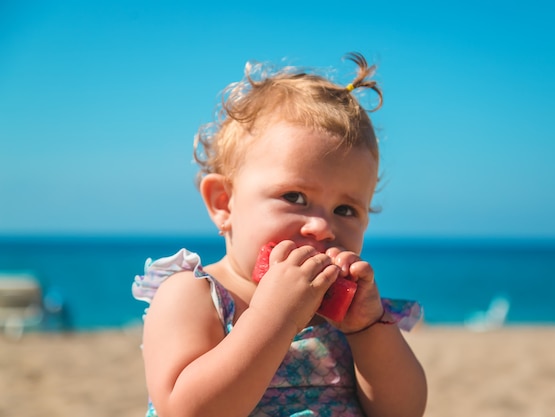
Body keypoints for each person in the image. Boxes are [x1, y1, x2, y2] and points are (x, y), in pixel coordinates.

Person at [132, 52, 427, 417]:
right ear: (224, 204)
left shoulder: (349, 318)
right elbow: (187, 411)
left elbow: (402, 411)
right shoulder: (194, 296)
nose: (323, 226)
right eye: (295, 197)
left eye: (345, 210)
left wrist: (368, 328)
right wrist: (276, 316)